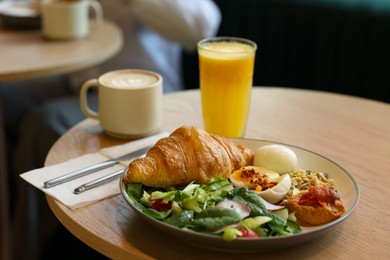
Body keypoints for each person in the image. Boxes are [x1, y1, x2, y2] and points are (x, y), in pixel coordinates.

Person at [3, 1, 221, 259]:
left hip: (143, 97)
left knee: (43, 123)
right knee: (5, 96)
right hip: (77, 77)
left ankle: (25, 249)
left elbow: (202, 25)